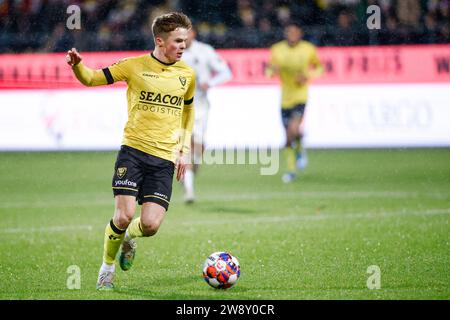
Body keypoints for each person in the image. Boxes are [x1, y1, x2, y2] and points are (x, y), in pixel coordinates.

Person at [66, 12, 195, 290]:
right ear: (160, 41)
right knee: (123, 215)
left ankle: (128, 238)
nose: (183, 46)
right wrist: (78, 66)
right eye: (178, 41)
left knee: (150, 225)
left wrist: (184, 149)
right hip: (133, 152)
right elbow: (91, 79)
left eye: (185, 40)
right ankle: (106, 270)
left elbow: (188, 112)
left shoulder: (187, 74)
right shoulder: (134, 66)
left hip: (163, 159)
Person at [266, 22, 323, 183]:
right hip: (285, 98)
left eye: (294, 32)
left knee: (293, 129)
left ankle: (291, 169)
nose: (291, 35)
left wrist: (307, 76)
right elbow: (269, 71)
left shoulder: (308, 49)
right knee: (289, 137)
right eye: (288, 32)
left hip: (300, 96)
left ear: (300, 33)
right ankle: (296, 155)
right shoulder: (277, 49)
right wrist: (272, 71)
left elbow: (319, 68)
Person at [181, 26, 232, 203]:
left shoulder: (205, 51)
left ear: (193, 34)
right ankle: (189, 191)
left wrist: (210, 82)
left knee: (199, 147)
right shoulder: (171, 53)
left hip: (201, 106)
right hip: (179, 107)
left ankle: (190, 172)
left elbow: (226, 73)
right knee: (185, 146)